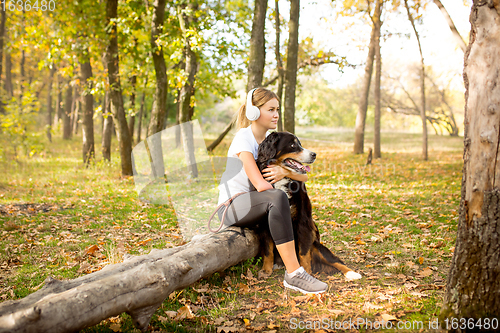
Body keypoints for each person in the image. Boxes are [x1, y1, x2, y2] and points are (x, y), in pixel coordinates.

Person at [216, 87, 328, 294]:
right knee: (276, 197)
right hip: (231, 207)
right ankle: (294, 274)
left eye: (277, 109)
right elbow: (261, 186)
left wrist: (283, 171)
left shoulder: (271, 139)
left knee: (279, 198)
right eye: (270, 110)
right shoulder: (244, 139)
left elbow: (303, 176)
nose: (276, 114)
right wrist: (282, 173)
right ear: (254, 112)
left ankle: (289, 264)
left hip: (253, 205)